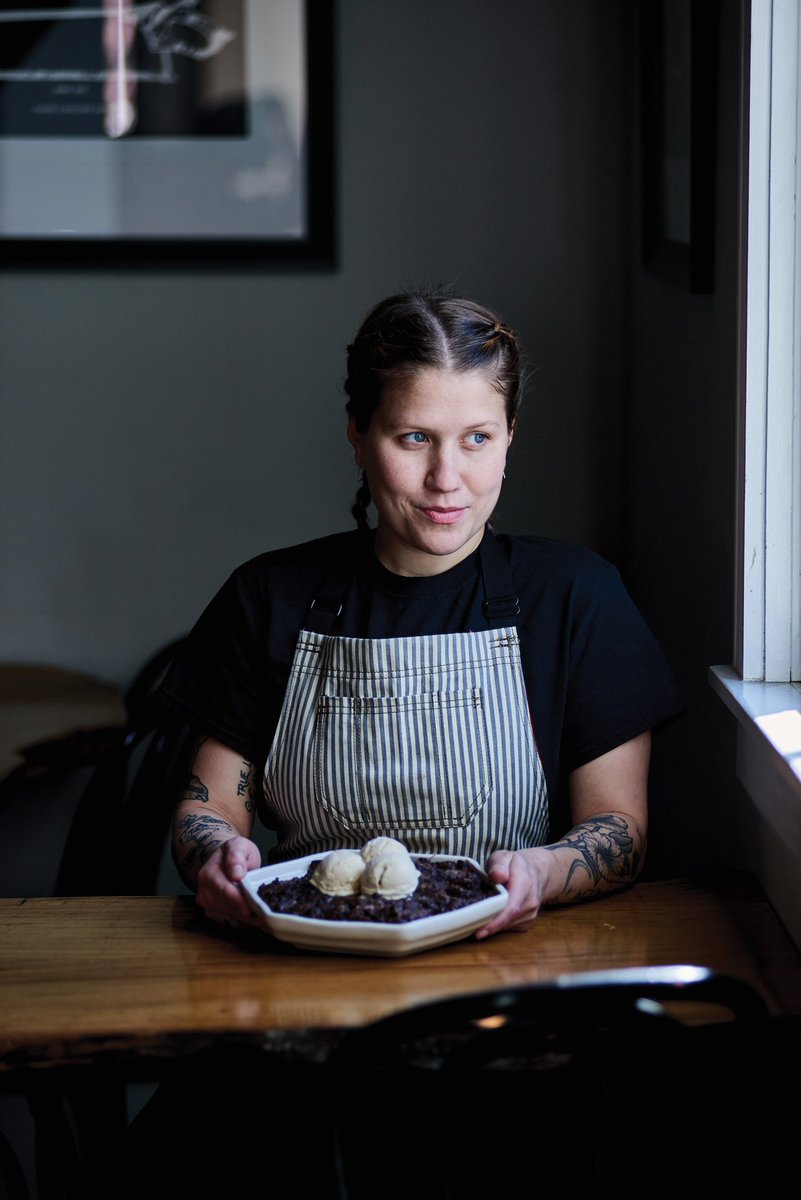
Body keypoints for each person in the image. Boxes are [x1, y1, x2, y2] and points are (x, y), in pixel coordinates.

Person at [159, 288, 683, 938]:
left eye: (476, 439)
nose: (446, 476)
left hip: (512, 961)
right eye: (413, 438)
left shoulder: (576, 596)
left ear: (509, 437)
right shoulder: (267, 597)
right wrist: (217, 855)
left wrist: (539, 874)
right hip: (307, 958)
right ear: (358, 437)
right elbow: (207, 806)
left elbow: (619, 830)